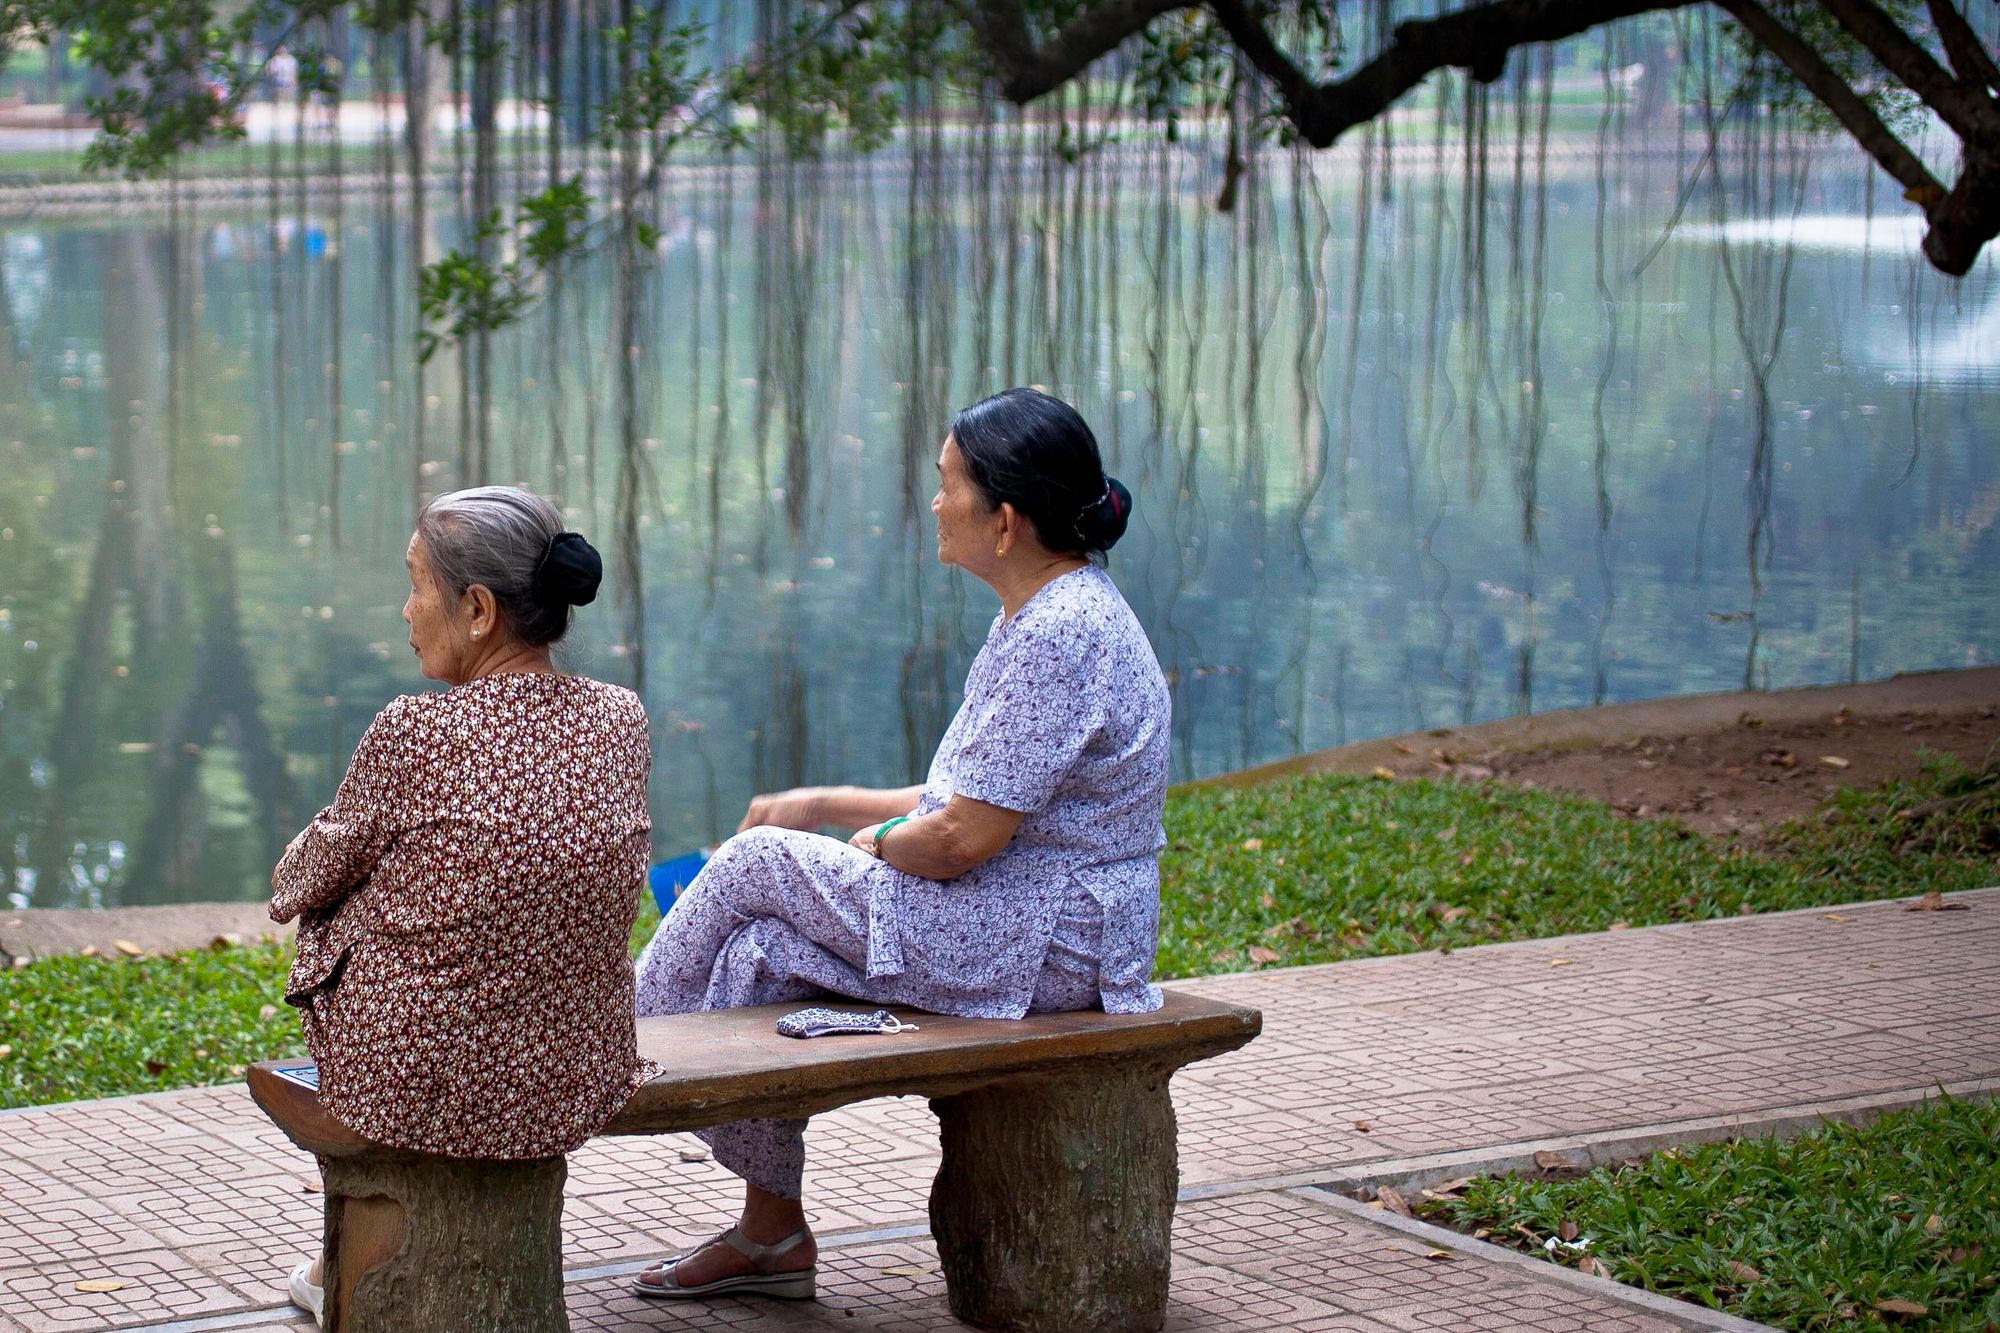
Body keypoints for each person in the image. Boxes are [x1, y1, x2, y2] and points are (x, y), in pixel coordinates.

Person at [629, 387, 1170, 1301]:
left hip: (1041, 941)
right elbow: (962, 798)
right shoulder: (1044, 612)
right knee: (761, 949)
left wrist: (863, 841)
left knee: (753, 865)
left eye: (947, 483)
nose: (932, 502)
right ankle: (772, 1237)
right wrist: (820, 803)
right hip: (1018, 922)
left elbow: (957, 837)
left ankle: (608, 1047)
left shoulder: (1061, 634)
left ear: (1003, 520)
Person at [269, 486, 653, 1323]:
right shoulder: (620, 717)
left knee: (339, 896)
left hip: (417, 1075)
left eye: (415, 584)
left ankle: (354, 1270)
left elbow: (298, 882)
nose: (405, 610)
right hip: (574, 1064)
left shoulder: (415, 732)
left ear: (477, 608)